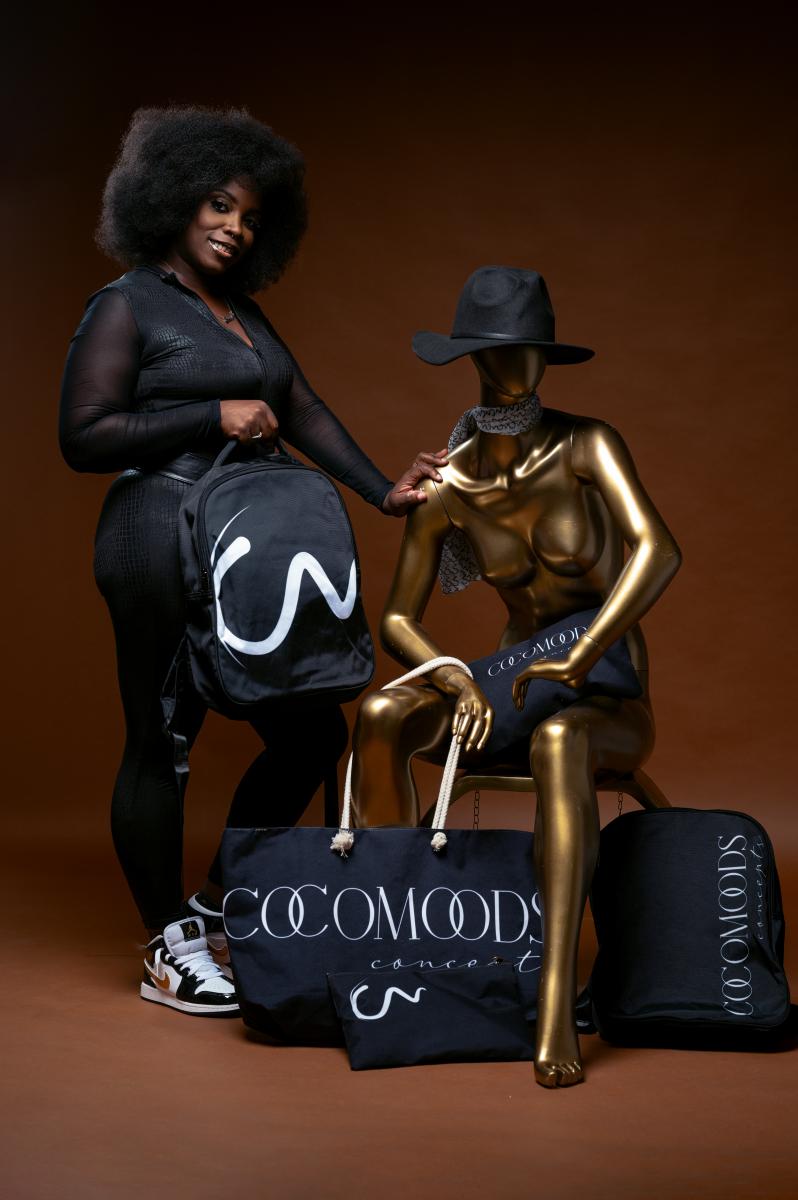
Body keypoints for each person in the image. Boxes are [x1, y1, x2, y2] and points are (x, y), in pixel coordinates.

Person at [59, 105, 447, 1018]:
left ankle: (217, 904)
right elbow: (82, 435)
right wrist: (211, 414)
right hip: (158, 532)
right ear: (171, 200)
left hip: (245, 543)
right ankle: (169, 946)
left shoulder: (243, 315)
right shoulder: (125, 304)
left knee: (313, 734)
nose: (235, 227)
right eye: (219, 205)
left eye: (250, 217)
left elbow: (302, 407)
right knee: (164, 738)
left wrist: (383, 491)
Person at [350, 266, 681, 1085]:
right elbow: (396, 618)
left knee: (562, 739)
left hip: (604, 686)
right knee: (383, 715)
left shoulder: (587, 443)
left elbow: (658, 549)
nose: (522, 365)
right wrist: (456, 680)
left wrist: (584, 650)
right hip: (510, 685)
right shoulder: (447, 484)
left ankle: (554, 1001)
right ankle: (397, 960)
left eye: (535, 349)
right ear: (473, 357)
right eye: (503, 348)